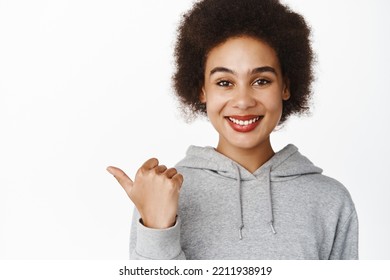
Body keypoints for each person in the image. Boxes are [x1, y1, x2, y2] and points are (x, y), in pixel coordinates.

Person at [106, 0, 358, 259]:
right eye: (225, 82)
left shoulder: (330, 201)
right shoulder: (162, 193)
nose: (243, 100)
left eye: (261, 81)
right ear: (202, 90)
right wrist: (158, 228)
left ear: (285, 86)